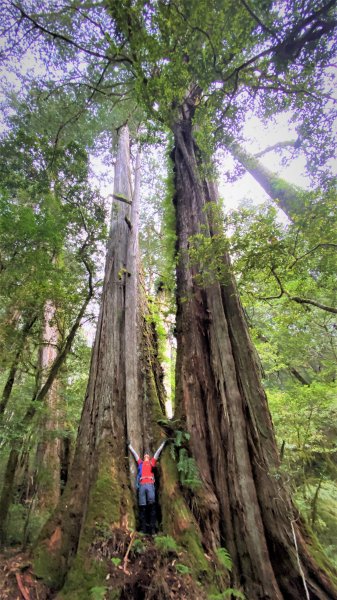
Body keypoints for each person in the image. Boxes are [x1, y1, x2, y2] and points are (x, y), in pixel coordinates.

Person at [128, 440, 166, 534]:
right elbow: (135, 454)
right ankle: (143, 529)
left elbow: (157, 453)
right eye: (145, 455)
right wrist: (129, 446)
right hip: (141, 486)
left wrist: (162, 444)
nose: (146, 456)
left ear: (149, 457)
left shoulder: (151, 463)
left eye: (147, 455)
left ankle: (152, 529)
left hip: (150, 485)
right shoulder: (140, 463)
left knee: (152, 506)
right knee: (142, 507)